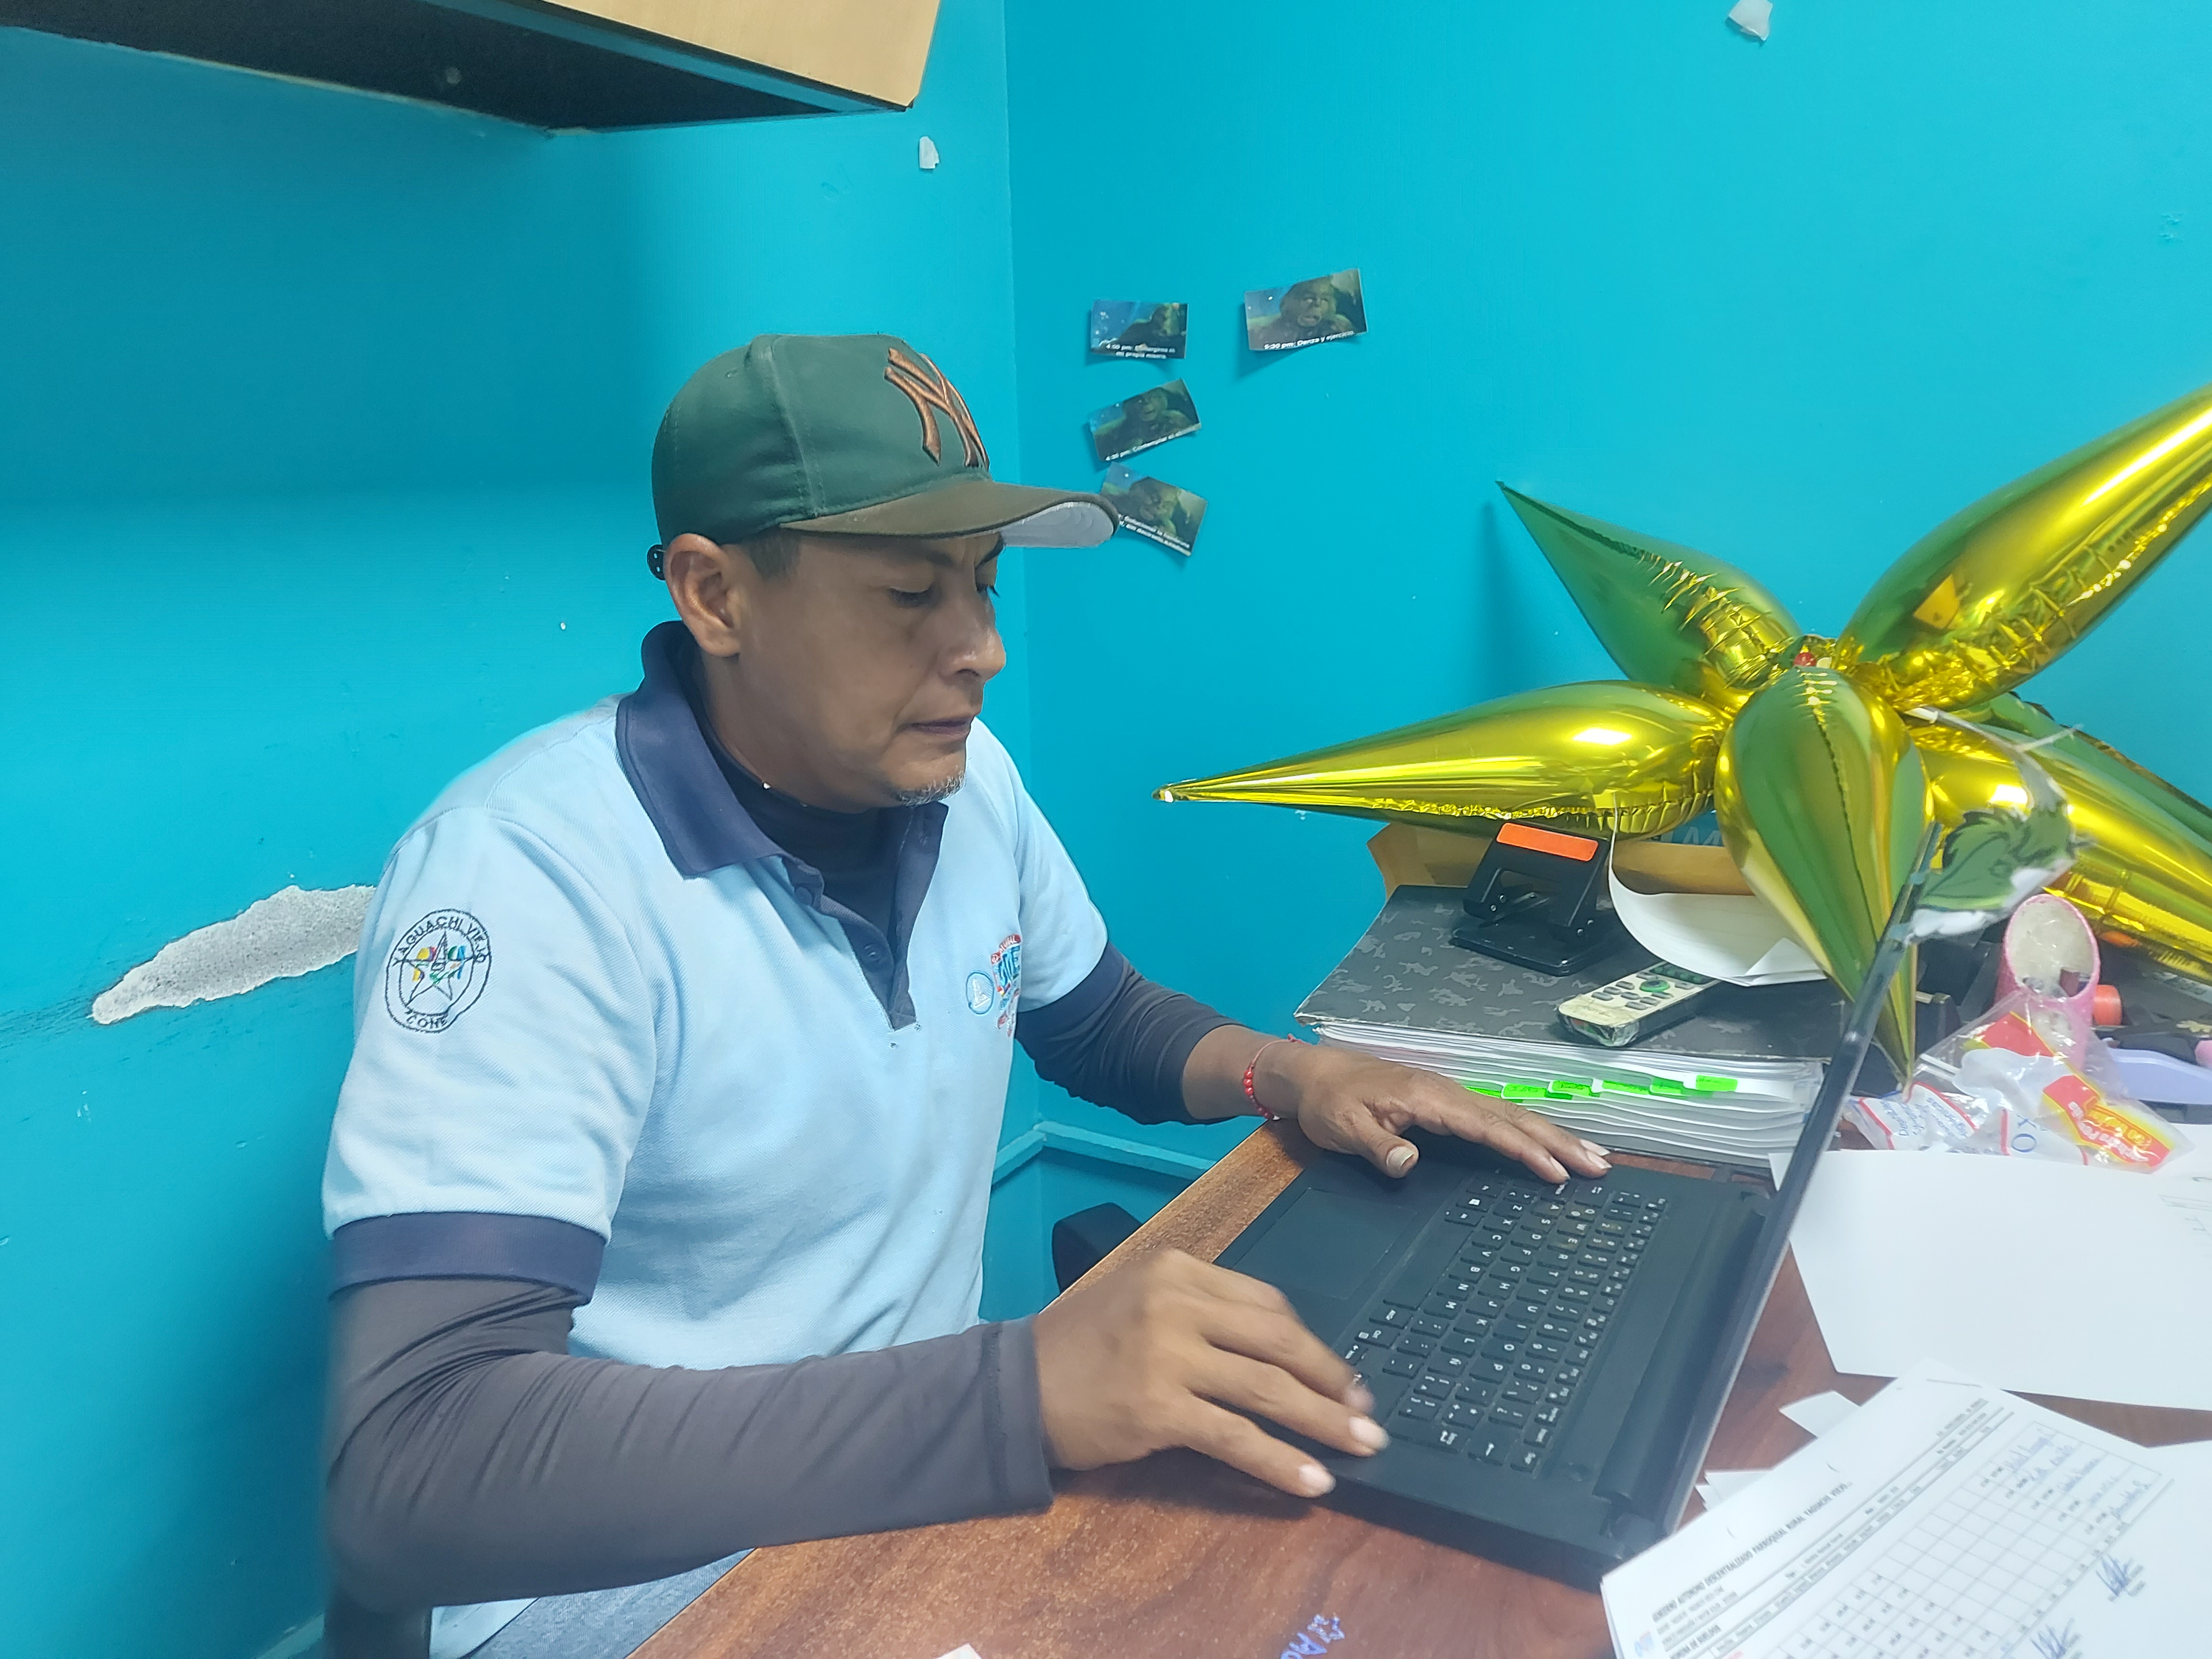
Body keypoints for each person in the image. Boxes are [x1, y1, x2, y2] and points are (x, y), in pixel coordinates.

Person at [320, 333, 1610, 1658]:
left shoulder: (961, 773)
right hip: (626, 1568)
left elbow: (1097, 1019)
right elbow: (415, 1462)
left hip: (906, 1463)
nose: (982, 649)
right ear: (715, 595)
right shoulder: (529, 873)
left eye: (984, 584)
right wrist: (1012, 1396)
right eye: (907, 594)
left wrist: (1290, 1074)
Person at [1092, 382, 1197, 462]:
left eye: (1152, 397)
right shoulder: (1111, 432)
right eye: (1139, 400)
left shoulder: (1175, 419)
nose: (1146, 403)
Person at [1248, 276, 1360, 349]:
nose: (1317, 304)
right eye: (1308, 298)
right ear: (1287, 301)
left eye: (1325, 299)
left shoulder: (1342, 327)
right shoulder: (1261, 334)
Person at [1109, 301, 1187, 356]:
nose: (1160, 321)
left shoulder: (1178, 340)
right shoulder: (1139, 328)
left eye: (1164, 318)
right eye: (1158, 316)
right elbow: (1117, 346)